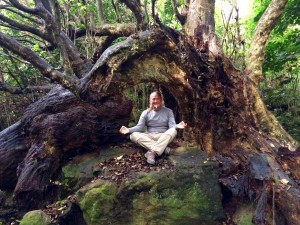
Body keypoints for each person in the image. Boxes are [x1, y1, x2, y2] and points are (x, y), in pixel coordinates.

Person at [119, 91, 187, 165]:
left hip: (163, 136)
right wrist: (128, 130)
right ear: (150, 100)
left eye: (157, 99)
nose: (155, 101)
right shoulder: (145, 113)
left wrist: (177, 126)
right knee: (133, 135)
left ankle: (152, 153)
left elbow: (172, 126)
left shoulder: (168, 111)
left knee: (173, 131)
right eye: (153, 99)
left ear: (161, 100)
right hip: (149, 136)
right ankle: (163, 149)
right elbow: (139, 127)